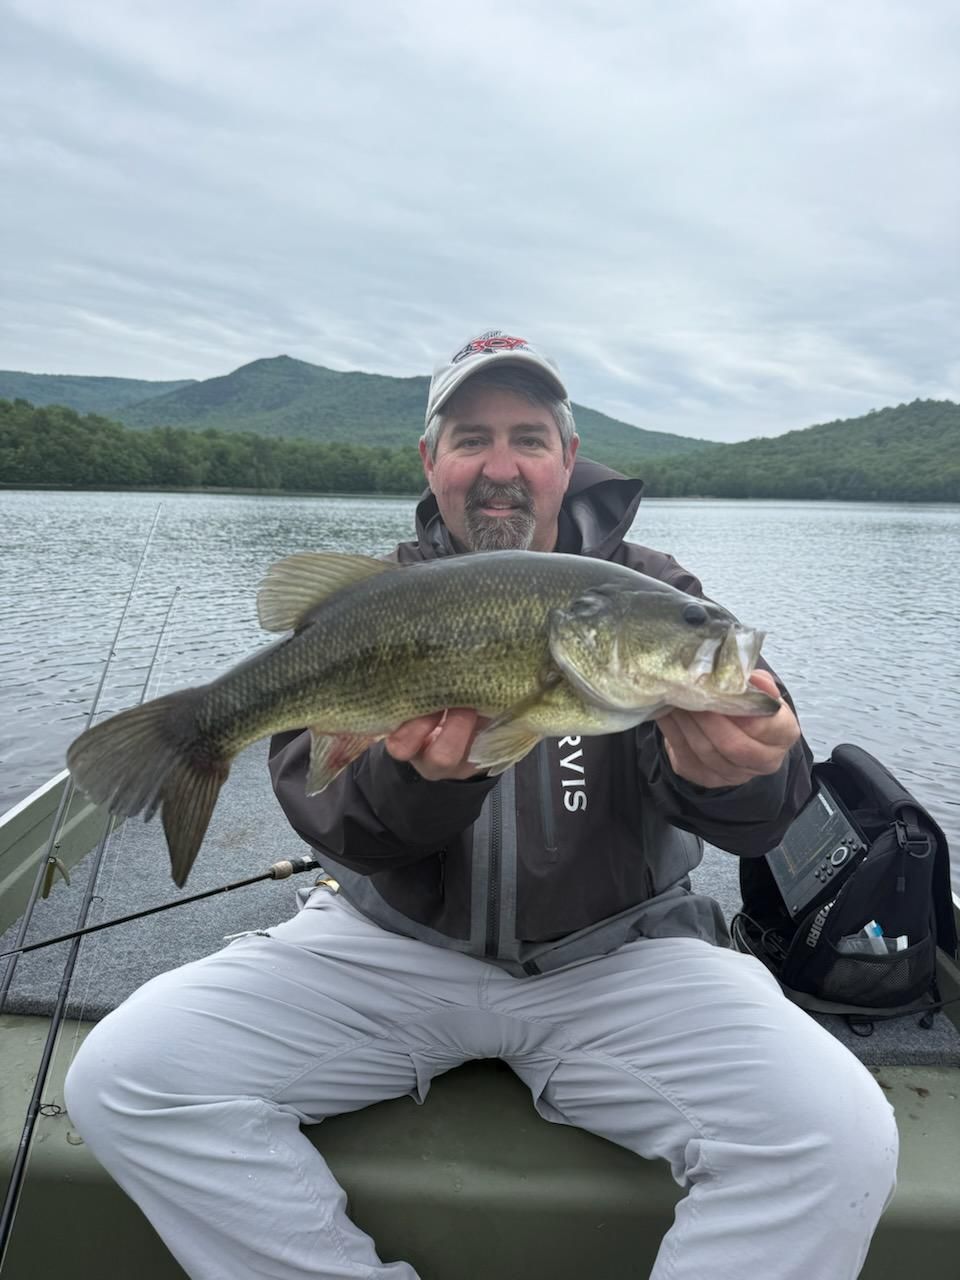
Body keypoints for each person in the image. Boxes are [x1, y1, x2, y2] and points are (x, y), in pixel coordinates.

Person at [65, 330, 899, 1279]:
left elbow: (762, 815)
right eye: (471, 439)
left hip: (619, 959)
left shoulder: (657, 595)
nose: (501, 467)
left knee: (840, 1136)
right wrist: (424, 781)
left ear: (567, 458)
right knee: (128, 1079)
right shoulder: (374, 599)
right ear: (431, 461)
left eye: (528, 439)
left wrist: (741, 776)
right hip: (390, 948)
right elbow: (340, 826)